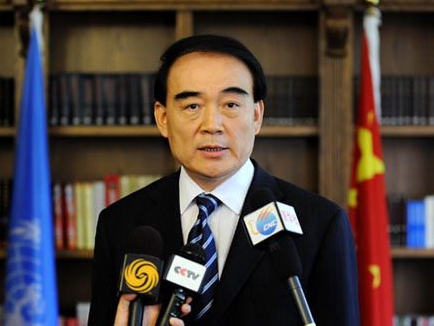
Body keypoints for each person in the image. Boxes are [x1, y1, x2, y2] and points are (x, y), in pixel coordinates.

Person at [88, 35, 359, 326]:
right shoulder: (120, 223)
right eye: (192, 106)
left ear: (256, 116)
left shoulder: (321, 223)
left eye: (230, 105)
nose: (212, 126)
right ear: (163, 118)